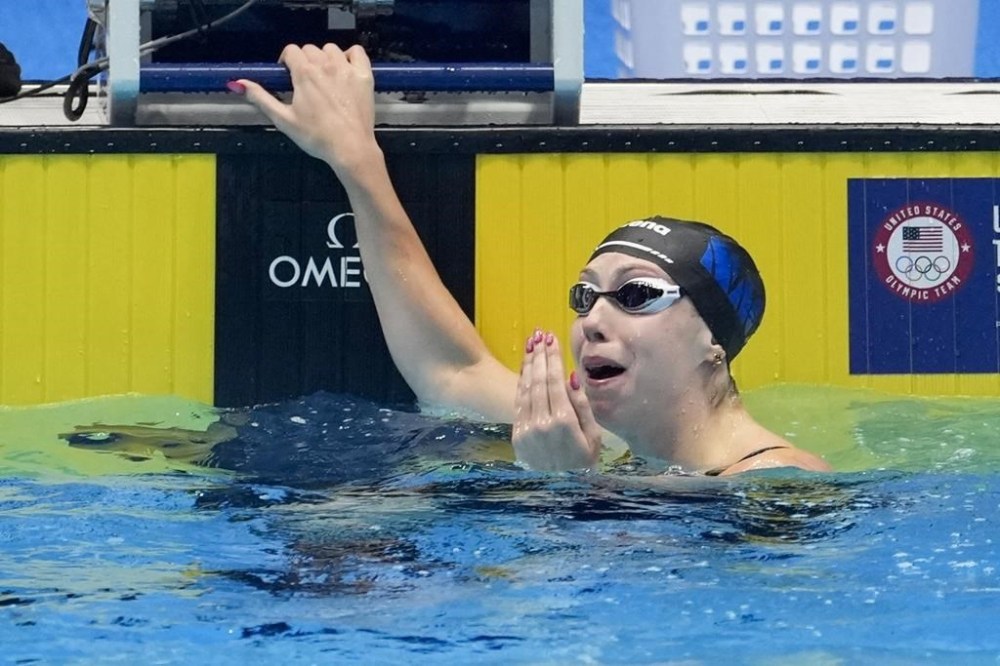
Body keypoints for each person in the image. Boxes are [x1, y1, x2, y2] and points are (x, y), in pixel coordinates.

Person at [229, 43, 831, 476]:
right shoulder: (607, 440)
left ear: (713, 343)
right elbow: (450, 371)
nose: (593, 321)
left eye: (636, 295)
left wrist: (569, 484)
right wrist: (356, 158)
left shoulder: (779, 482)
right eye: (585, 296)